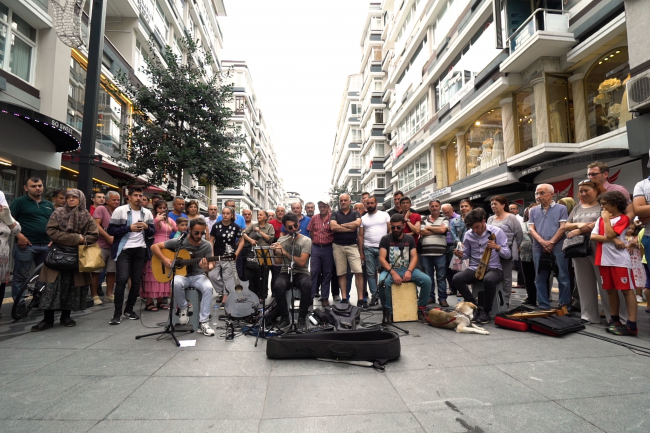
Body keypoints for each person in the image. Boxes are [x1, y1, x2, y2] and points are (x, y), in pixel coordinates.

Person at [32, 189, 99, 331]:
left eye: (74, 197)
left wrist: (82, 239)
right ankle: (47, 319)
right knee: (51, 288)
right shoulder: (58, 213)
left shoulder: (87, 216)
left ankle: (66, 316)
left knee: (72, 287)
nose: (71, 200)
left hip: (77, 257)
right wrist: (77, 238)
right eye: (68, 197)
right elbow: (51, 231)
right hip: (57, 255)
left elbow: (94, 235)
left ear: (80, 199)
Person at [151, 219, 216, 336]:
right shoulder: (179, 242)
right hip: (182, 276)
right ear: (189, 230)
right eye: (196, 232)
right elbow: (154, 247)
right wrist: (164, 259)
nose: (199, 235)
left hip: (198, 275)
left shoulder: (206, 245)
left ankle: (204, 322)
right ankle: (183, 308)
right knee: (175, 282)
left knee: (208, 288)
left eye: (202, 233)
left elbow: (210, 265)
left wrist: (206, 267)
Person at [591, 191, 638, 336]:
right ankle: (614, 320)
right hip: (603, 259)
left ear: (614, 204)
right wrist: (614, 239)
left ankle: (631, 325)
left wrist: (606, 221)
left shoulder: (623, 218)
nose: (602, 207)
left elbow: (610, 234)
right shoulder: (600, 220)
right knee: (610, 290)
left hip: (620, 260)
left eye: (604, 204)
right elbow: (593, 236)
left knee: (626, 290)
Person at [106, 186, 155, 325]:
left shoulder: (147, 213)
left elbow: (152, 231)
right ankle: (116, 314)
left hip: (140, 249)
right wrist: (129, 228)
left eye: (141, 196)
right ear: (129, 197)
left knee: (136, 281)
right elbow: (111, 230)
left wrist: (146, 227)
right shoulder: (120, 210)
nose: (139, 198)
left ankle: (129, 309)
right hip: (124, 249)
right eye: (136, 195)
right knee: (121, 280)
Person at [452, 208, 510, 324]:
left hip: (494, 268)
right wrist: (461, 255)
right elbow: (467, 254)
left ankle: (486, 311)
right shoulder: (469, 235)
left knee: (489, 279)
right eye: (472, 228)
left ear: (483, 221)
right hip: (475, 268)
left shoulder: (497, 232)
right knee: (457, 278)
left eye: (477, 227)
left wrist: (497, 247)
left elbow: (508, 254)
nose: (475, 230)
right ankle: (475, 307)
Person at [565, 180, 607, 323]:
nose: (583, 193)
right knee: (583, 283)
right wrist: (578, 224)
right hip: (579, 247)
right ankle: (588, 316)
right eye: (581, 191)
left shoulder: (603, 204)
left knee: (604, 284)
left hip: (599, 245)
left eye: (586, 190)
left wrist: (580, 229)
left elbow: (603, 220)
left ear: (596, 189)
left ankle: (612, 316)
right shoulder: (577, 207)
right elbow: (566, 225)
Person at [378, 213, 432, 324]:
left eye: (398, 227)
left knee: (427, 280)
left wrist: (409, 271)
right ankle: (388, 312)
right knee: (382, 282)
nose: (396, 229)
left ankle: (421, 309)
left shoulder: (409, 238)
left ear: (403, 225)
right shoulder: (385, 239)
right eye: (393, 227)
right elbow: (382, 259)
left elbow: (414, 257)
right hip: (390, 270)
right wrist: (393, 273)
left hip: (407, 268)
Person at [10, 177, 54, 300]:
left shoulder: (48, 204)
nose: (37, 188)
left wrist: (54, 238)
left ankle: (38, 301)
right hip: (26, 245)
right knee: (21, 276)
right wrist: (19, 236)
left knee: (44, 276)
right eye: (33, 186)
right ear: (26, 188)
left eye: (39, 185)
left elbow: (54, 223)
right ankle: (19, 303)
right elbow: (9, 221)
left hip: (46, 245)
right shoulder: (19, 202)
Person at [267, 213, 313, 328]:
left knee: (307, 284)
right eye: (290, 227)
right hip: (286, 271)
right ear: (285, 228)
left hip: (301, 272)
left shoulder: (306, 240)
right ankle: (284, 317)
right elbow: (278, 262)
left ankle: (302, 318)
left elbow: (302, 263)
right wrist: (274, 252)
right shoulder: (282, 240)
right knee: (278, 285)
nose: (294, 229)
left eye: (295, 226)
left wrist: (284, 252)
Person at [528, 184, 571, 309]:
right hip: (538, 247)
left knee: (563, 276)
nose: (538, 196)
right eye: (537, 193)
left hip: (558, 247)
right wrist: (542, 242)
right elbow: (531, 228)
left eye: (542, 193)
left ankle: (564, 305)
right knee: (540, 276)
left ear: (551, 194)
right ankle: (543, 304)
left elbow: (563, 227)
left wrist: (551, 242)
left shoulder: (561, 208)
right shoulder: (533, 210)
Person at [330, 193, 366, 308]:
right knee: (342, 273)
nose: (343, 202)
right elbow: (333, 227)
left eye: (345, 200)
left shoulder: (355, 213)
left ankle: (361, 300)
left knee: (358, 272)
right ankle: (344, 298)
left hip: (352, 246)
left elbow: (358, 223)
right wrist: (350, 227)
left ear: (350, 201)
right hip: (338, 246)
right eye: (341, 200)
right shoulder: (335, 213)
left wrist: (342, 226)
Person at [487, 196, 523, 306]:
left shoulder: (511, 218)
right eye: (492, 204)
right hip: (492, 253)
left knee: (506, 277)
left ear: (503, 205)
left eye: (495, 204)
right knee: (492, 275)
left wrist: (517, 248)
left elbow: (519, 234)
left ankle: (505, 300)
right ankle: (495, 299)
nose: (493, 206)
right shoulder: (490, 219)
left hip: (506, 251)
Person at [142, 199, 177, 311]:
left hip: (166, 247)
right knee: (151, 274)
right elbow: (149, 230)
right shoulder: (152, 218)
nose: (162, 210)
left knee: (163, 273)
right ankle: (149, 301)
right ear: (155, 208)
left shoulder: (169, 220)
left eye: (164, 208)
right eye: (160, 208)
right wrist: (157, 219)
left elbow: (177, 229)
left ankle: (160, 300)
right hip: (154, 246)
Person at [358, 196, 390, 307]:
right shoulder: (363, 218)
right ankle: (374, 296)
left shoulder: (384, 215)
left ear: (376, 203)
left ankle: (384, 296)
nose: (370, 205)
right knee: (370, 273)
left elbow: (390, 231)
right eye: (368, 203)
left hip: (383, 248)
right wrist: (361, 252)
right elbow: (361, 236)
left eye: (372, 203)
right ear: (365, 204)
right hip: (368, 248)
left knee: (384, 273)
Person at [208, 206, 244, 300]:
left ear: (232, 215)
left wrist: (236, 253)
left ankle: (225, 298)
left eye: (228, 213)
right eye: (223, 213)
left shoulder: (236, 227)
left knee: (227, 277)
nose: (225, 215)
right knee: (212, 275)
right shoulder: (216, 225)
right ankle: (224, 290)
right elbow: (211, 241)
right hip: (217, 255)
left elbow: (242, 241)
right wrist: (212, 255)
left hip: (229, 256)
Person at [91, 190, 120, 305]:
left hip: (114, 246)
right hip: (100, 245)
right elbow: (96, 224)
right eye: (114, 200)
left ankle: (109, 294)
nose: (117, 202)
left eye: (118, 200)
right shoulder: (101, 209)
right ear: (107, 201)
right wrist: (107, 236)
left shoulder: (119, 211)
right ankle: (94, 295)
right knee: (96, 272)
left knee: (112, 271)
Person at [420, 200, 449, 307]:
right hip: (426, 253)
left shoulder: (445, 218)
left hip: (440, 252)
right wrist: (437, 228)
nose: (434, 208)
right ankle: (430, 297)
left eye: (436, 206)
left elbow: (443, 230)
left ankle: (442, 298)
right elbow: (422, 232)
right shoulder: (424, 219)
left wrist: (428, 227)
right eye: (432, 206)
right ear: (429, 208)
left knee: (441, 277)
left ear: (440, 207)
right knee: (428, 277)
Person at [242, 209, 275, 301]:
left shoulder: (270, 226)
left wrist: (260, 232)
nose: (258, 216)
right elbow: (243, 233)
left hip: (265, 252)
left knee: (264, 274)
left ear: (266, 217)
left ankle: (263, 295)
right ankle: (254, 294)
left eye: (261, 215)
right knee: (254, 274)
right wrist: (250, 240)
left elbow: (270, 239)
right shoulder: (253, 225)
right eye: (258, 215)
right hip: (253, 253)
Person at [307, 200, 334, 306]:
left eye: (324, 206)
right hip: (316, 248)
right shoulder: (314, 218)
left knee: (327, 273)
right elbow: (311, 231)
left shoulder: (333, 217)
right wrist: (317, 241)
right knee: (314, 272)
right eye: (320, 206)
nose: (322, 208)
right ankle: (310, 296)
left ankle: (325, 297)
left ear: (328, 207)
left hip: (328, 248)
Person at [0, 199, 21, 302]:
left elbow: (16, 230)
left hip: (2, 258)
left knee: (1, 285)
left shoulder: (3, 214)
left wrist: (7, 218)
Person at [520, 204, 538, 306]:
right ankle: (531, 298)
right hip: (525, 254)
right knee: (528, 277)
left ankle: (543, 298)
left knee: (541, 277)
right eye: (531, 211)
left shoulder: (542, 224)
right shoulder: (523, 224)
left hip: (541, 253)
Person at [441, 203, 460, 295]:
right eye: (444, 213)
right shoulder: (443, 219)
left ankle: (460, 289)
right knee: (447, 269)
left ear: (452, 209)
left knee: (456, 269)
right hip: (445, 246)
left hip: (455, 246)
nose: (446, 214)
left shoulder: (458, 218)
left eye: (447, 212)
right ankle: (453, 289)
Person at [269, 205, 286, 292]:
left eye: (282, 210)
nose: (280, 212)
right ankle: (274, 292)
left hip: (286, 248)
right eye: (278, 210)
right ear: (276, 213)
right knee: (275, 272)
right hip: (274, 248)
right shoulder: (271, 222)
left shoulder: (287, 222)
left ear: (284, 212)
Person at [509, 202, 525, 288]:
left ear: (517, 210)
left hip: (517, 245)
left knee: (519, 265)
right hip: (510, 245)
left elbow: (520, 233)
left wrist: (519, 245)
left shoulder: (520, 219)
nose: (512, 210)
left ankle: (521, 282)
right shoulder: (508, 218)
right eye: (510, 209)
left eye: (513, 208)